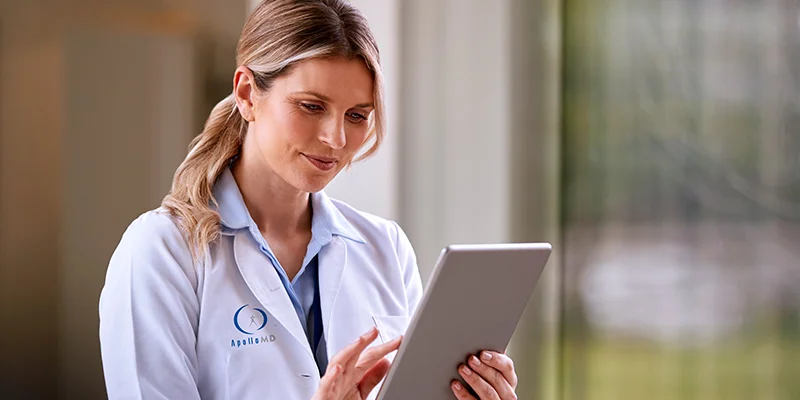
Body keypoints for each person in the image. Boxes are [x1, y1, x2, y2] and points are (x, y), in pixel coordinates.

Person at [98, 1, 519, 399]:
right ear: (247, 94)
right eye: (311, 106)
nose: (335, 140)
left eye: (357, 115)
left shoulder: (385, 247)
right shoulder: (162, 252)